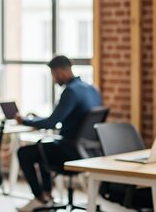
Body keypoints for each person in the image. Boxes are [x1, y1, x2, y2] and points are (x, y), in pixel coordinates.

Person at [14, 56, 102, 212]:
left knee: (25, 153)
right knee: (43, 150)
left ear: (60, 71)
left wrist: (25, 121)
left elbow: (51, 123)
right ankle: (47, 195)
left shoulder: (70, 91)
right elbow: (57, 119)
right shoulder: (91, 89)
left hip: (71, 152)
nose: (54, 80)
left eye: (53, 75)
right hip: (89, 151)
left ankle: (41, 198)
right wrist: (36, 119)